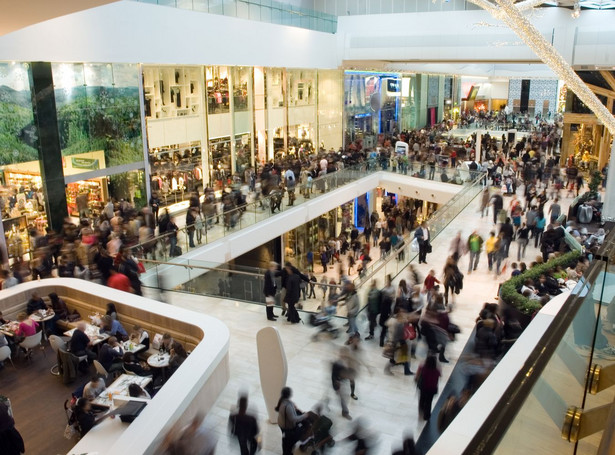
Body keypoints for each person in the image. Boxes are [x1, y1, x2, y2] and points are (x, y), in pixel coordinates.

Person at [275, 387, 308, 455]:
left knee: (286, 440)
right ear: (289, 394)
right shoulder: (287, 406)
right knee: (296, 434)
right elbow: (293, 419)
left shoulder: (282, 401)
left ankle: (287, 449)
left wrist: (293, 406)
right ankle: (289, 451)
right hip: (287, 427)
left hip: (282, 425)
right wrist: (304, 416)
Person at [416, 355, 441, 421]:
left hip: (423, 387)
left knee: (422, 399)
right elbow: (439, 376)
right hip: (432, 388)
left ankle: (421, 412)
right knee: (429, 402)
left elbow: (417, 376)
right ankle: (427, 416)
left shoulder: (423, 368)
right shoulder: (436, 371)